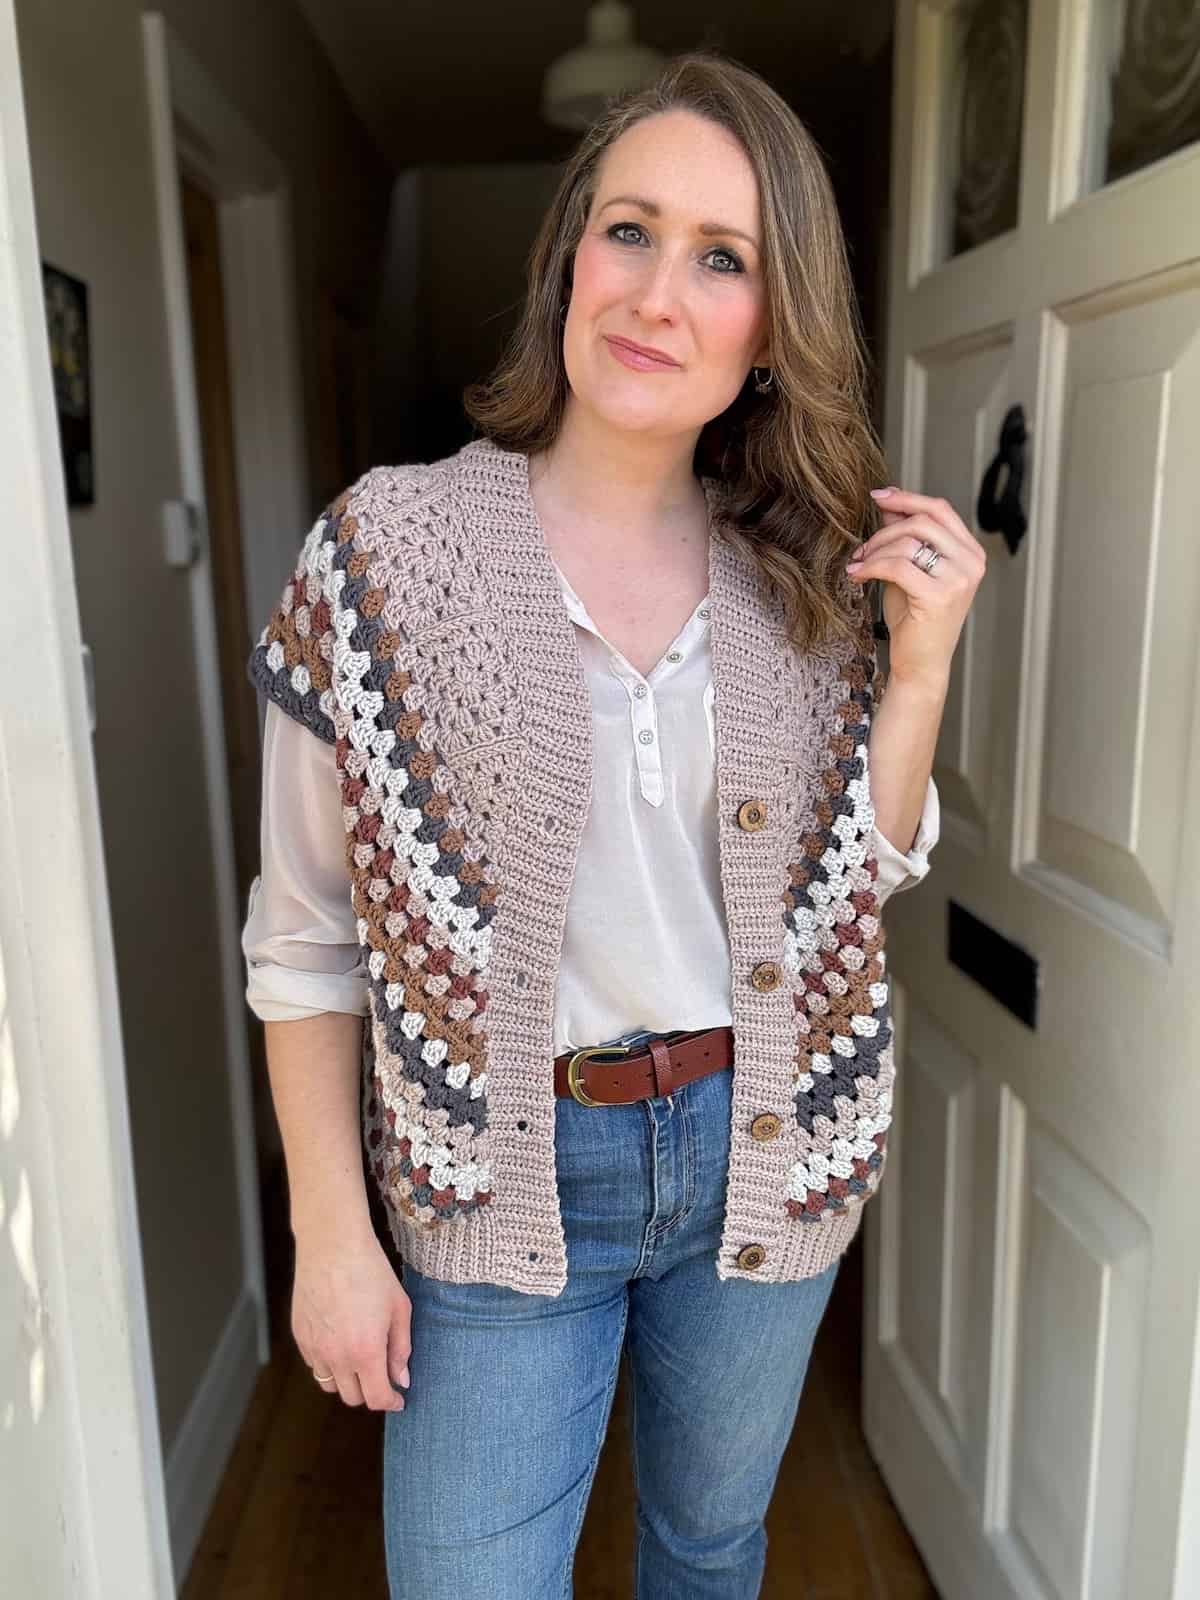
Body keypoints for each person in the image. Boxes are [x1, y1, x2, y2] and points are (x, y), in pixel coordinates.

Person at [241, 49, 982, 1600]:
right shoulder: (387, 557)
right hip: (498, 1169)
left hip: (761, 1153)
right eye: (629, 231)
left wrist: (916, 678)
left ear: (773, 331)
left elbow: (859, 884)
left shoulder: (803, 579)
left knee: (708, 1551)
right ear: (567, 257)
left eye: (725, 259)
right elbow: (306, 939)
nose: (659, 293)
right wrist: (328, 1232)